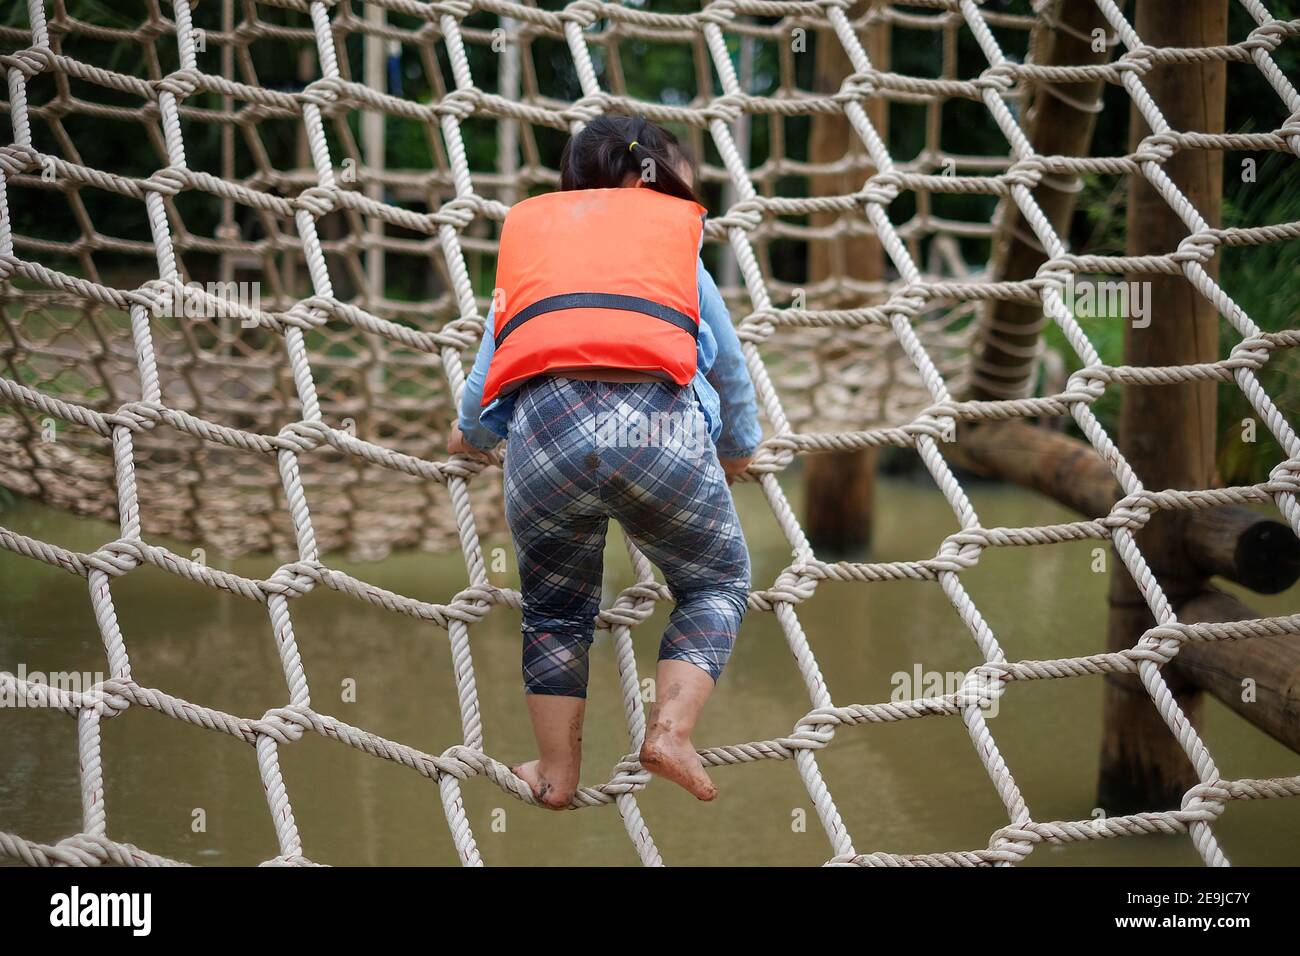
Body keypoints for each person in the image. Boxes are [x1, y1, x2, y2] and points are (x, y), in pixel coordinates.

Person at [449, 115, 761, 808]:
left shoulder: (536, 253)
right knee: (716, 583)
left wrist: (469, 435)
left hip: (543, 445)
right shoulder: (677, 251)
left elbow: (487, 373)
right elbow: (732, 367)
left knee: (556, 614)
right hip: (661, 436)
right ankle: (671, 732)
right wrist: (737, 448)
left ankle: (556, 775)